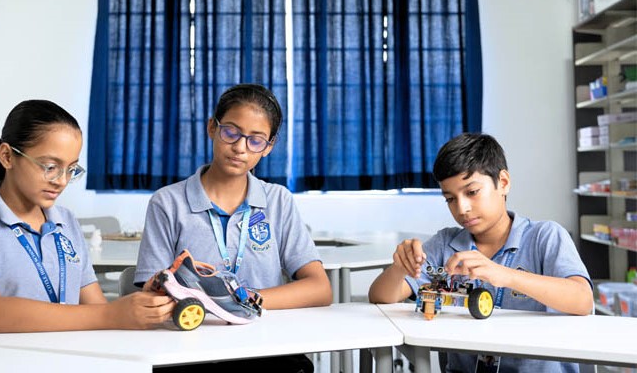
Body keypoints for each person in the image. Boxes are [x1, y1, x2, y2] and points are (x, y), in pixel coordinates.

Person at [136, 83, 332, 371]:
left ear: (269, 147)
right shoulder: (168, 202)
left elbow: (319, 289)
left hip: (267, 348)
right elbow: (149, 295)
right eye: (231, 132)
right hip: (189, 351)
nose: (240, 147)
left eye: (256, 140)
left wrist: (241, 299)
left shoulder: (277, 201)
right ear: (212, 128)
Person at [369, 132, 593, 373]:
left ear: (503, 183)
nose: (462, 208)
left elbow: (582, 299)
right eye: (450, 199)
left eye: (472, 192)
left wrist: (505, 275)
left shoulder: (544, 236)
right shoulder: (446, 243)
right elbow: (380, 297)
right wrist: (399, 269)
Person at [0, 99, 174, 333]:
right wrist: (113, 313)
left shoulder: (65, 222)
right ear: (7, 156)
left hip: (67, 357)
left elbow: (96, 309)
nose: (62, 181)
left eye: (71, 169)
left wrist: (145, 307)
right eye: (50, 166)